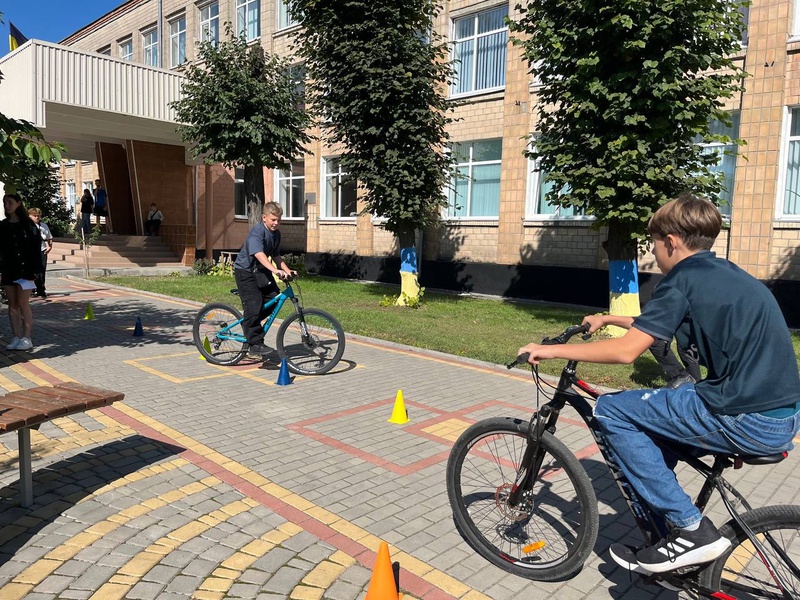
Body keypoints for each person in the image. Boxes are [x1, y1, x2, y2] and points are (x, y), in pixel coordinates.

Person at [518, 192, 800, 574]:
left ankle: (691, 531)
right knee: (666, 408)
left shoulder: (682, 280)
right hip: (779, 415)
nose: (652, 251)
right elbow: (655, 324)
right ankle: (664, 527)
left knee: (613, 410)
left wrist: (549, 350)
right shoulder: (724, 274)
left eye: (653, 243)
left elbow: (626, 352)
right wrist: (607, 319)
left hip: (743, 415)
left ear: (671, 241)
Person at [233, 202, 296, 357]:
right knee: (254, 303)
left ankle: (250, 322)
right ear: (264, 218)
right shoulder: (257, 231)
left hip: (260, 271)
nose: (276, 223)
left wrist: (288, 271)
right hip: (245, 272)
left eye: (279, 220)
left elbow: (276, 256)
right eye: (273, 219)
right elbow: (259, 254)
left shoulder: (276, 234)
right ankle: (254, 345)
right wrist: (275, 270)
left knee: (274, 299)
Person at [0, 193, 43, 350]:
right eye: (5, 203)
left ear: (18, 204)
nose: (7, 205)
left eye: (10, 202)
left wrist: (36, 270)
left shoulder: (28, 225)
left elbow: (36, 248)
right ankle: (16, 337)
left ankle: (27, 337)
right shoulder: (3, 225)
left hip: (26, 270)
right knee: (12, 305)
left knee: (23, 303)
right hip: (8, 269)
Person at [28, 207, 53, 299]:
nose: (37, 217)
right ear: (30, 216)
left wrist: (50, 246)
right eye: (34, 216)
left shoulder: (43, 226)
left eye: (38, 216)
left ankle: (41, 289)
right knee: (31, 270)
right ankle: (31, 289)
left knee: (41, 270)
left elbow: (49, 237)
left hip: (42, 250)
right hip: (30, 251)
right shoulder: (26, 226)